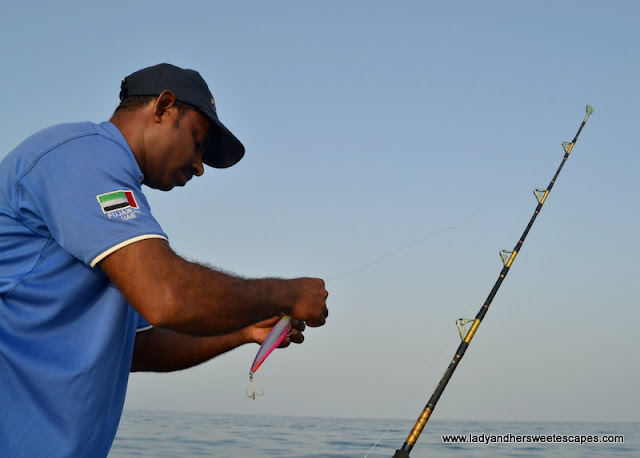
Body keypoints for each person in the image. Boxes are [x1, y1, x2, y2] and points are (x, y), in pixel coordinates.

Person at [0, 63, 329, 457]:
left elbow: (138, 348)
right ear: (164, 107)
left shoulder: (112, 205)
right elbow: (167, 296)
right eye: (198, 142)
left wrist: (244, 331)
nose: (199, 166)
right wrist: (286, 294)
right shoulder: (84, 156)